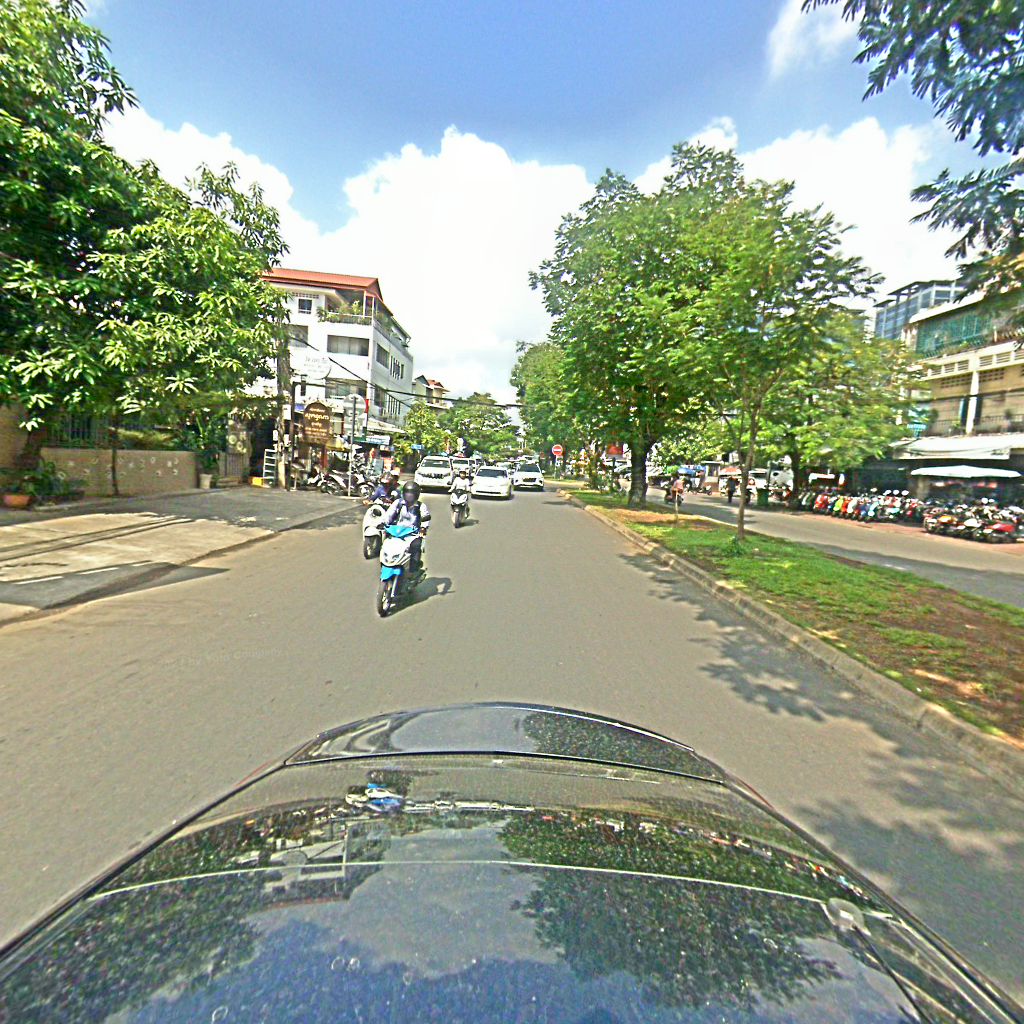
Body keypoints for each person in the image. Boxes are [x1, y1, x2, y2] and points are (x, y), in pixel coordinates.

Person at [384, 481, 431, 574]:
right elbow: (389, 514)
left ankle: (413, 571)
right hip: (397, 531)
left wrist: (423, 528)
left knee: (416, 546)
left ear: (416, 495)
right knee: (386, 544)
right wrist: (383, 523)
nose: (409, 496)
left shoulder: (421, 506)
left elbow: (425, 518)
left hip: (413, 534)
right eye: (407, 493)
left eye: (411, 494)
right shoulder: (398, 503)